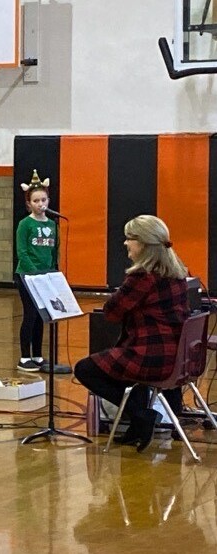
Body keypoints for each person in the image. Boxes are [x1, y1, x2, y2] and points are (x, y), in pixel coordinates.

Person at [74, 215, 189, 453]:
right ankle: (138, 423)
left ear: (144, 244)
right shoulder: (177, 274)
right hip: (176, 358)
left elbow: (111, 313)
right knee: (118, 364)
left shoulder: (142, 277)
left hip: (150, 357)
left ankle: (141, 414)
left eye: (130, 239)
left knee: (85, 369)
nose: (126, 243)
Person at [14, 173, 57, 371]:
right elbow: (22, 252)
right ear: (29, 203)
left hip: (44, 277)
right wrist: (33, 274)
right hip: (27, 276)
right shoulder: (25, 224)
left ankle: (38, 355)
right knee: (30, 315)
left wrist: (52, 272)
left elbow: (53, 251)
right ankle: (24, 357)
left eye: (43, 200)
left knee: (42, 316)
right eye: (36, 201)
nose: (41, 204)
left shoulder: (51, 224)